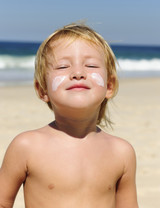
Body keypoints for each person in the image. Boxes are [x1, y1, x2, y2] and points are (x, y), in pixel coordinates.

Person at [0, 23, 139, 208]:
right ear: (42, 90)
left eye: (90, 65)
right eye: (63, 66)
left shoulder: (121, 152)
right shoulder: (27, 146)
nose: (78, 73)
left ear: (109, 86)